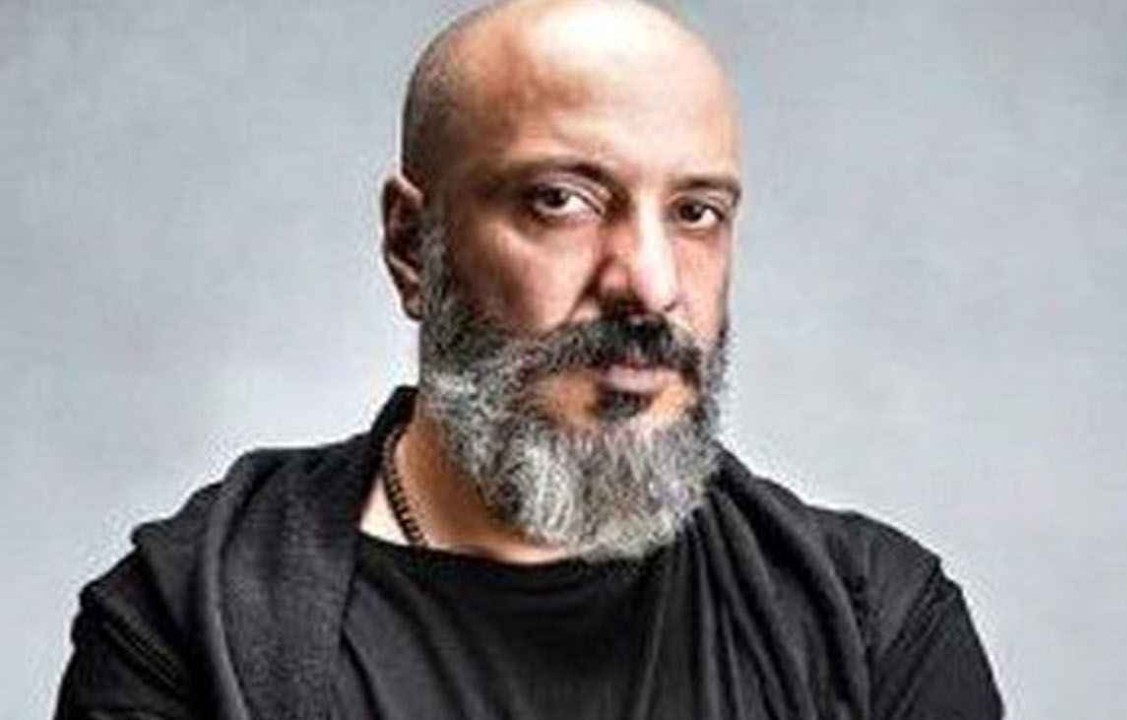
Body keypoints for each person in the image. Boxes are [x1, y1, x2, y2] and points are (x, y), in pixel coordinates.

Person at [54, 1, 1003, 718]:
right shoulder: (186, 622)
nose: (650, 284)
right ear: (411, 245)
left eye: (695, 212)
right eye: (562, 201)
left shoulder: (872, 624)